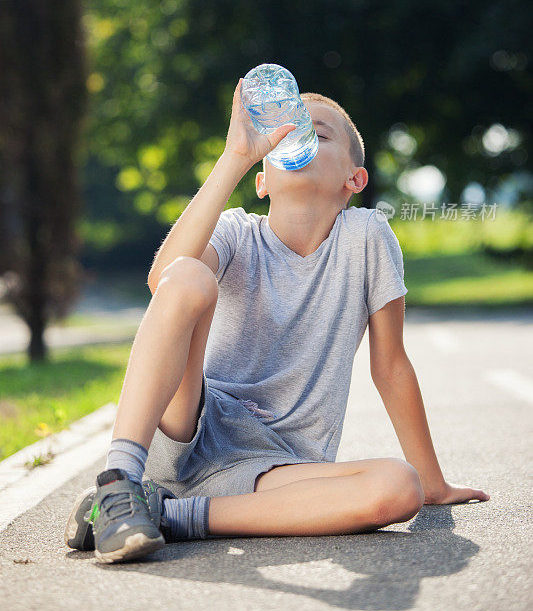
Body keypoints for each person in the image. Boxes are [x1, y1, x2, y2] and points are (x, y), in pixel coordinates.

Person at [64, 78, 490, 564]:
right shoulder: (236, 232)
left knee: (399, 487)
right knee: (188, 275)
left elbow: (390, 366)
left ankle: (170, 515)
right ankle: (119, 484)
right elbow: (163, 279)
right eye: (285, 131)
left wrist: (433, 484)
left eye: (319, 134)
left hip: (277, 466)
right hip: (193, 423)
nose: (297, 136)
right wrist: (234, 159)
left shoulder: (367, 237)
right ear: (262, 180)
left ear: (355, 179)